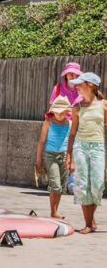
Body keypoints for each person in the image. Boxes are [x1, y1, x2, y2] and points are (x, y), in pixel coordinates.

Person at [66, 72, 107, 234]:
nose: (76, 87)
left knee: (97, 185)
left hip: (97, 147)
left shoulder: (103, 105)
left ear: (90, 86)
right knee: (83, 185)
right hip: (80, 147)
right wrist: (70, 156)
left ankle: (91, 220)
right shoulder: (77, 107)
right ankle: (88, 223)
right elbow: (72, 133)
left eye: (79, 84)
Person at [36, 96, 71, 219]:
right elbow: (41, 141)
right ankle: (53, 211)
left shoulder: (69, 124)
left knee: (60, 186)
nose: (60, 115)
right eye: (57, 112)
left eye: (63, 112)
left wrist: (70, 159)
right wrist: (39, 159)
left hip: (64, 156)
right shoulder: (48, 122)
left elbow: (71, 144)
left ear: (68, 112)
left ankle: (55, 212)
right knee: (55, 185)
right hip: (50, 155)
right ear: (52, 111)